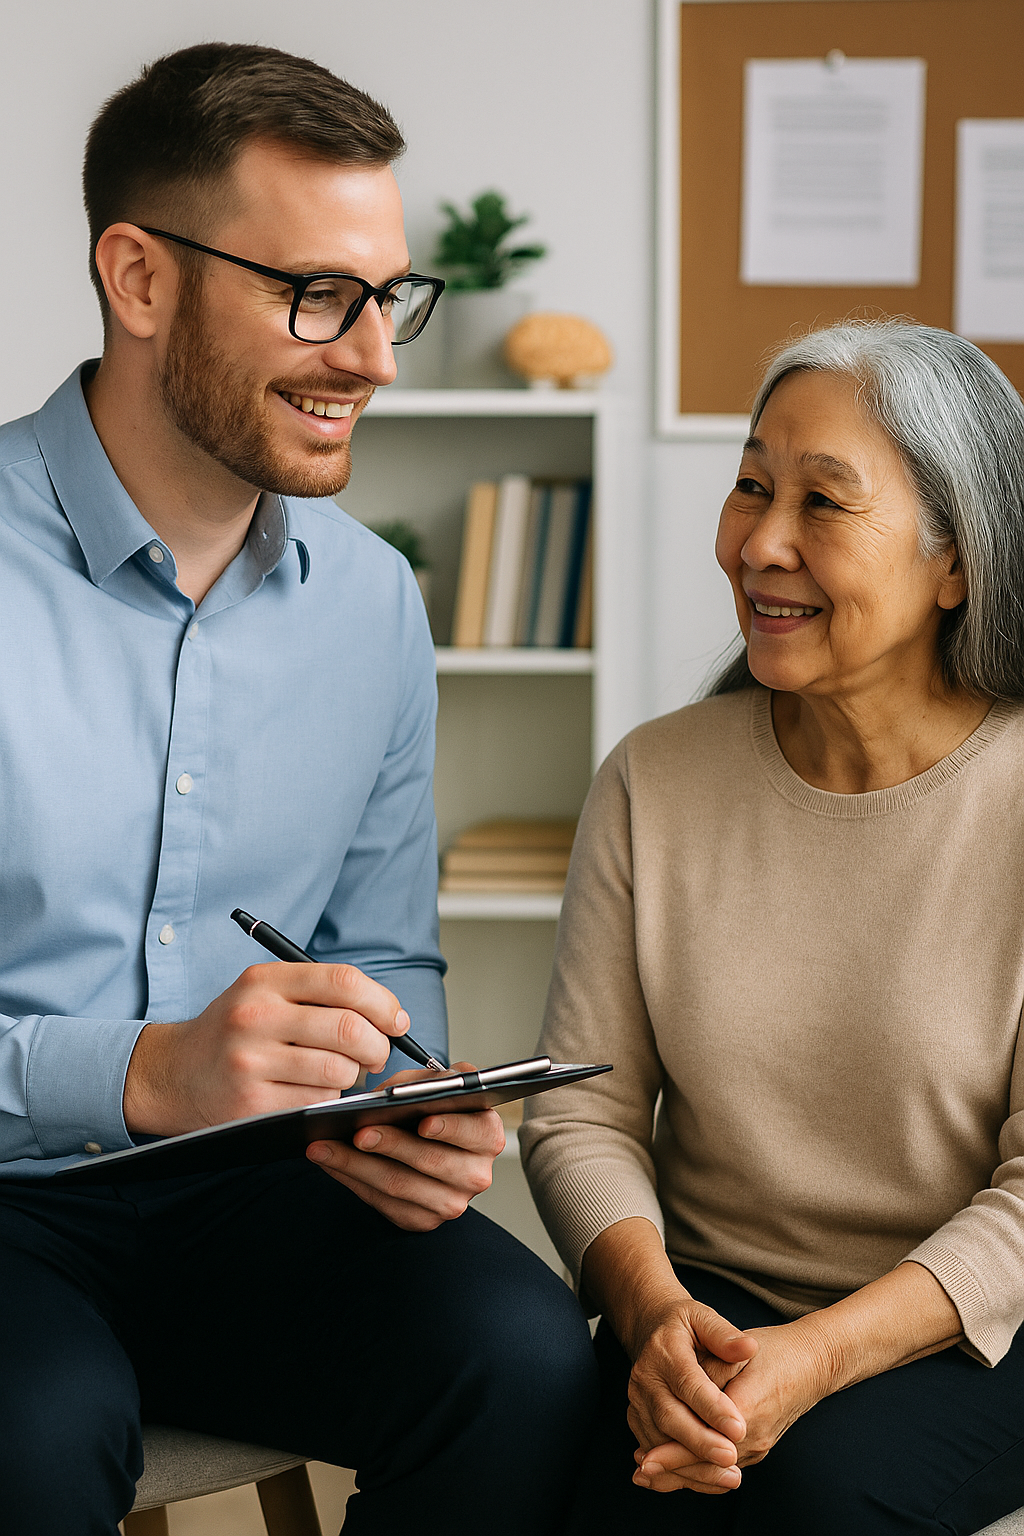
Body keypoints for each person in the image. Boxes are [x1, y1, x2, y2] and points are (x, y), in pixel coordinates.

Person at [0, 42, 596, 1535]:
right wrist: (139, 1073)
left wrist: (410, 1098)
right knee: (40, 1425)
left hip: (252, 1197)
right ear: (139, 279)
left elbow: (382, 957)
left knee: (529, 1365)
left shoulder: (374, 603)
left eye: (388, 296)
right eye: (316, 295)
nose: (376, 358)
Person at [521, 318, 1024, 1535]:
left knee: (807, 1494)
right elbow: (579, 1108)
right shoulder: (657, 779)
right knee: (542, 1455)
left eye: (821, 501)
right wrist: (652, 1317)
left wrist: (815, 1358)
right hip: (705, 1299)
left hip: (968, 1322)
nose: (760, 542)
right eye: (751, 485)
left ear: (956, 559)